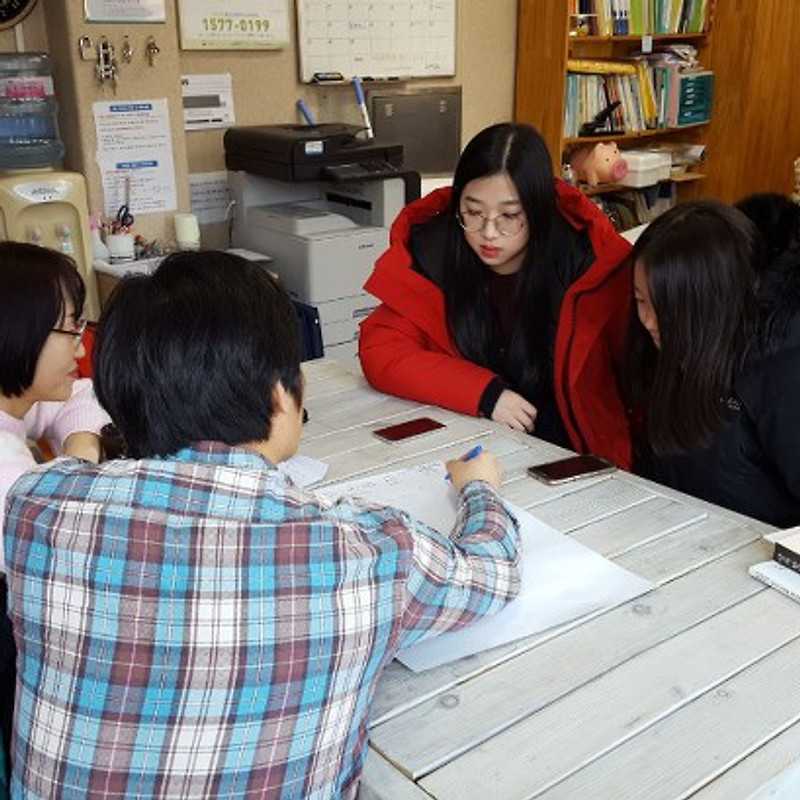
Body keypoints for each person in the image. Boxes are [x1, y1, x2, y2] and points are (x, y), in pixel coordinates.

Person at [4, 250, 521, 799]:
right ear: (282, 393)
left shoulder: (36, 507)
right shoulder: (363, 552)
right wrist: (479, 486)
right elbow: (494, 570)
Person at [358, 122, 634, 467]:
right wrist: (485, 394)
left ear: (538, 209)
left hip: (571, 454)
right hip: (470, 445)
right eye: (473, 212)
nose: (488, 233)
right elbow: (382, 351)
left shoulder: (585, 260)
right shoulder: (435, 248)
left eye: (509, 216)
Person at [0, 241, 109, 783]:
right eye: (70, 329)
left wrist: (80, 453)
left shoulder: (14, 397)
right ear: (17, 330)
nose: (82, 349)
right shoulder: (10, 484)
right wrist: (74, 479)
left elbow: (79, 396)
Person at [628, 200, 800, 526]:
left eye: (665, 308)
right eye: (640, 301)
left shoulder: (783, 371)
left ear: (707, 304)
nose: (648, 321)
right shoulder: (664, 346)